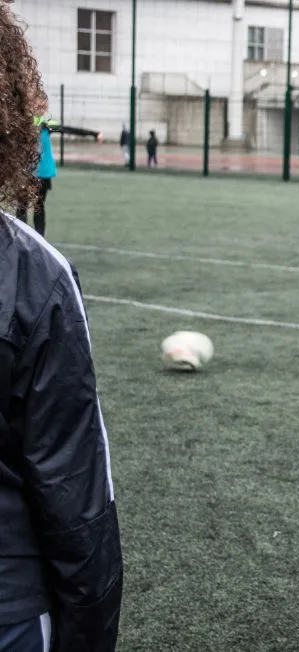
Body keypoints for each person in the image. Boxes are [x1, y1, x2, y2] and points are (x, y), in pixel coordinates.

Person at [0, 6, 123, 651]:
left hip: (33, 182)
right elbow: (72, 492)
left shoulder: (39, 127)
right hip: (11, 606)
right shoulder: (33, 283)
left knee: (32, 215)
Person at [16, 110, 102, 238]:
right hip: (25, 173)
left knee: (36, 207)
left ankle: (38, 240)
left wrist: (93, 133)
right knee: (24, 207)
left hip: (41, 173)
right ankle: (23, 238)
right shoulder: (21, 125)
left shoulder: (45, 125)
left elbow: (67, 128)